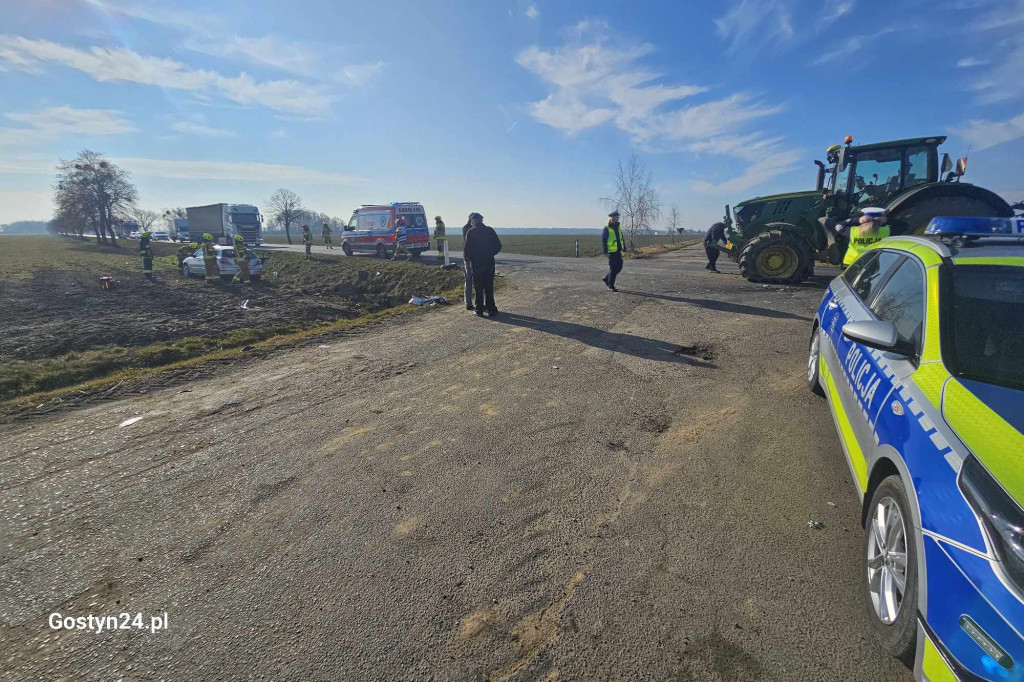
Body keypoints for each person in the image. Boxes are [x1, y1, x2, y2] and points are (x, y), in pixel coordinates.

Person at [463, 212, 502, 317]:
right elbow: (498, 246)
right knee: (489, 286)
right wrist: (490, 253)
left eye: (471, 221)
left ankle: (479, 309)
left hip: (477, 263)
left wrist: (471, 258)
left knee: (478, 287)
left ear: (473, 221)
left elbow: (467, 250)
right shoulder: (490, 230)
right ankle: (492, 309)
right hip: (489, 261)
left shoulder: (471, 232)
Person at [601, 211, 626, 291]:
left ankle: (607, 278)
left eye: (618, 217)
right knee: (614, 268)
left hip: (618, 251)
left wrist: (624, 248)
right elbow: (603, 240)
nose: (618, 218)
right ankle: (610, 286)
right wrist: (605, 251)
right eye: (616, 217)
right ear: (612, 218)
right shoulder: (607, 228)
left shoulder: (618, 228)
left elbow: (621, 239)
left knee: (619, 267)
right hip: (611, 252)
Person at [462, 213, 475, 310]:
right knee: (471, 280)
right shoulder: (468, 229)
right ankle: (469, 302)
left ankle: (468, 302)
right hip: (470, 258)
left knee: (469, 280)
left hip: (468, 257)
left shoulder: (465, 228)